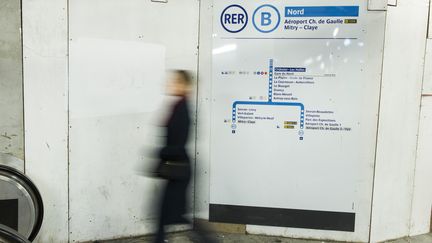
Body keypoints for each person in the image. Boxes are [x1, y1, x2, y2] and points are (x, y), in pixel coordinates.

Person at [153, 70, 193, 243]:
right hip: (175, 169)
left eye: (176, 82)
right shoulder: (178, 106)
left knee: (172, 215)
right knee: (166, 215)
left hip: (179, 169)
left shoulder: (182, 109)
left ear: (184, 85)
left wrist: (160, 152)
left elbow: (179, 145)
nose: (171, 84)